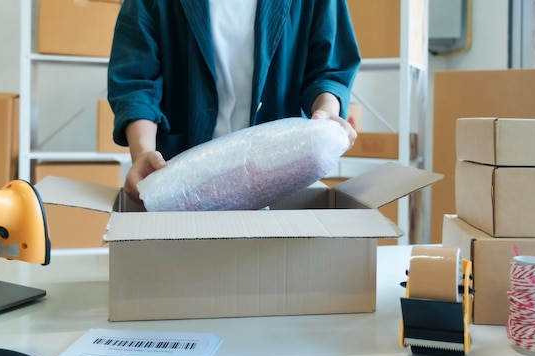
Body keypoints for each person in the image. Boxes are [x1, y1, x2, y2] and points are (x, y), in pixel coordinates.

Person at [107, 0, 361, 203]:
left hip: (280, 169)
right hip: (181, 172)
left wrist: (326, 110)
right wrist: (144, 152)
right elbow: (136, 76)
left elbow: (329, 67)